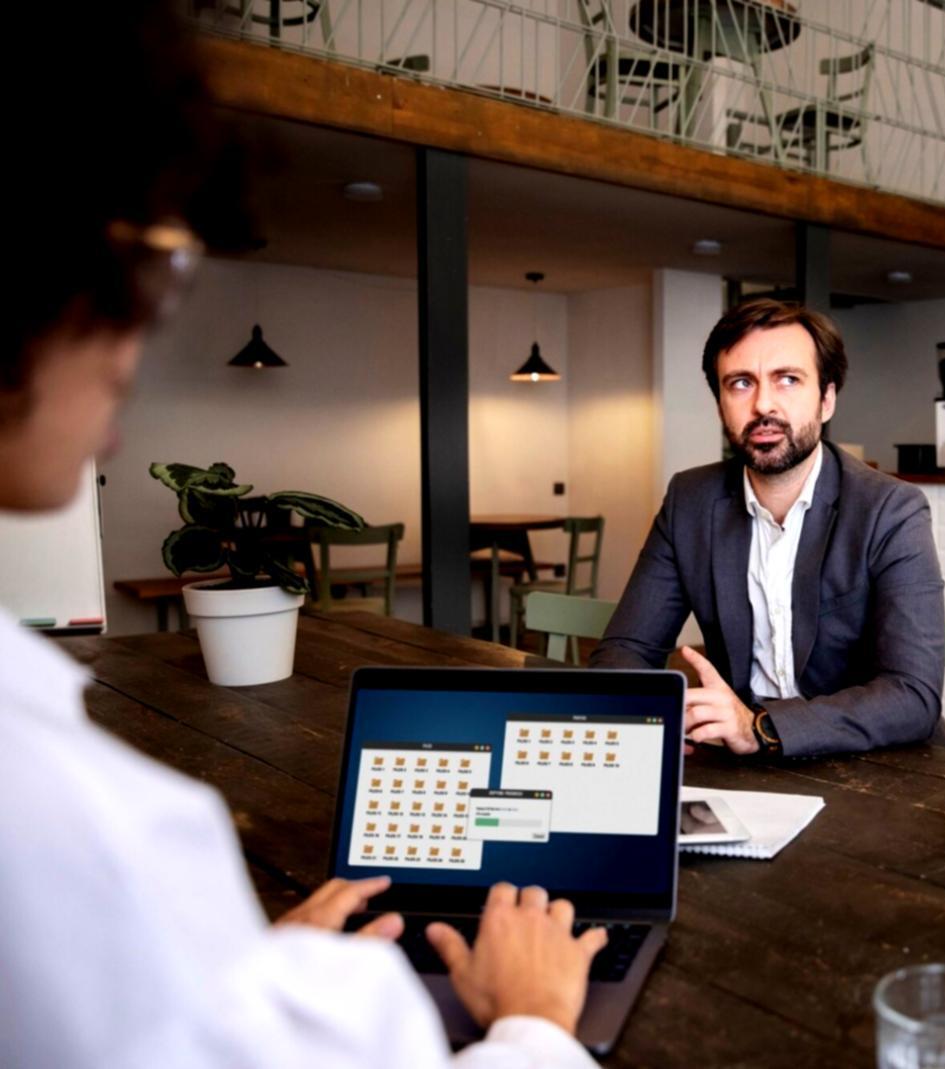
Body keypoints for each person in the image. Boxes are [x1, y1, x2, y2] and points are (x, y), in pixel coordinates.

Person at [0, 5, 604, 1066]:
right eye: (155, 266)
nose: (138, 346)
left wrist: (224, 979)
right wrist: (534, 1027)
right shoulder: (75, 831)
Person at [592, 299, 945, 757]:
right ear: (720, 404)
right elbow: (625, 649)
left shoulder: (890, 510)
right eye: (740, 383)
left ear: (827, 399)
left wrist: (760, 727)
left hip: (872, 765)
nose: (763, 404)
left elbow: (912, 695)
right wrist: (655, 716)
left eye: (788, 379)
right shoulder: (690, 501)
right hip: (737, 758)